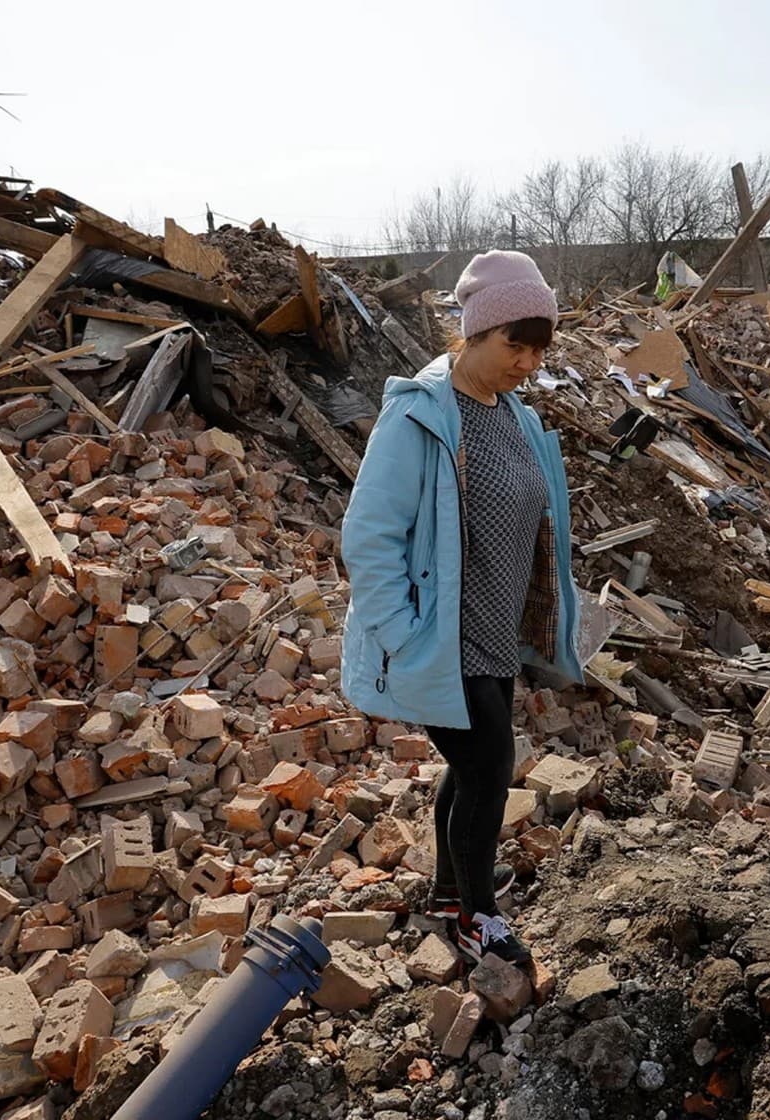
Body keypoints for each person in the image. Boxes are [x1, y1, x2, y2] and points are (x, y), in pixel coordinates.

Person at [340, 250, 582, 964]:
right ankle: (478, 919)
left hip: (495, 632)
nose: (528, 362)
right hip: (443, 638)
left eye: (539, 349)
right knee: (488, 767)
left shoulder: (513, 415)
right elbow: (369, 535)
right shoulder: (420, 417)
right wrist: (404, 636)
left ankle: (451, 890)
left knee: (471, 769)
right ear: (475, 333)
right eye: (516, 344)